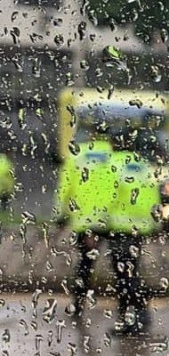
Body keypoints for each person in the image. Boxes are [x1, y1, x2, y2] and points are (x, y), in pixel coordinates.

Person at [55, 127, 118, 319]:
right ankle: (125, 308)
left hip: (84, 221)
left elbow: (65, 188)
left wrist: (61, 215)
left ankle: (78, 304)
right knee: (121, 266)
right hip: (112, 220)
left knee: (85, 265)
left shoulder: (76, 155)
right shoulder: (114, 157)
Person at [107, 128, 163, 334]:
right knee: (131, 271)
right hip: (140, 228)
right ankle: (138, 315)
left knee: (124, 277)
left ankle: (132, 318)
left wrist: (98, 224)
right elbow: (154, 196)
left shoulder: (111, 165)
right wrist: (155, 225)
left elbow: (107, 197)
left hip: (119, 227)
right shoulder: (142, 164)